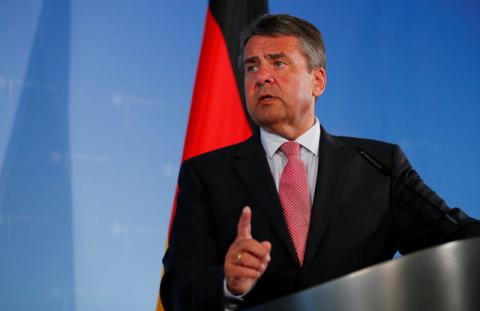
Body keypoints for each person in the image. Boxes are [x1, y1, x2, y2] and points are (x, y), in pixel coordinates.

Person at [160, 14, 480, 310]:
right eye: (252, 67)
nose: (262, 77)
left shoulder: (379, 166)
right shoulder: (206, 174)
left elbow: (456, 238)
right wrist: (228, 284)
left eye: (278, 63)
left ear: (318, 81)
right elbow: (176, 288)